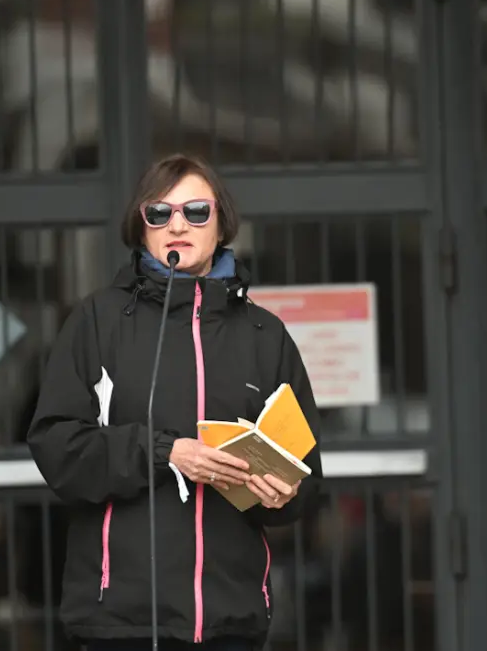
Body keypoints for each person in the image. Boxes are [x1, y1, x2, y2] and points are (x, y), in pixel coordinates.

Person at [27, 153, 323, 651]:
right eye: (159, 213)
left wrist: (284, 493)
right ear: (141, 227)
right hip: (123, 619)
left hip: (233, 619)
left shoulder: (264, 335)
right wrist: (165, 453)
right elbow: (58, 446)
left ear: (222, 223)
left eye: (196, 212)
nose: (178, 225)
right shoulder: (99, 322)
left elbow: (306, 470)